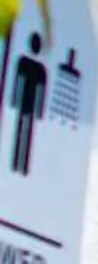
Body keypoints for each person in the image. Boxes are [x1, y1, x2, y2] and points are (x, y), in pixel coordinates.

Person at [9, 34, 45, 177]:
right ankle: (19, 164)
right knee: (24, 133)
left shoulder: (30, 65)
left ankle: (20, 165)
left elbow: (40, 92)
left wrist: (14, 100)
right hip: (27, 103)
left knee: (25, 133)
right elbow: (19, 83)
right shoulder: (36, 67)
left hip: (26, 103)